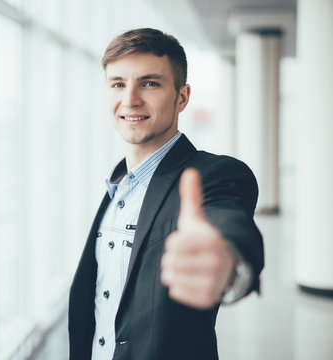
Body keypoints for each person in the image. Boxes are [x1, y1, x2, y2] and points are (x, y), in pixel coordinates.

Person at [68, 28, 264, 360]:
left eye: (149, 83)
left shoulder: (212, 176)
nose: (130, 99)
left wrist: (228, 261)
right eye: (118, 83)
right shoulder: (114, 188)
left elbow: (227, 223)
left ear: (182, 97)